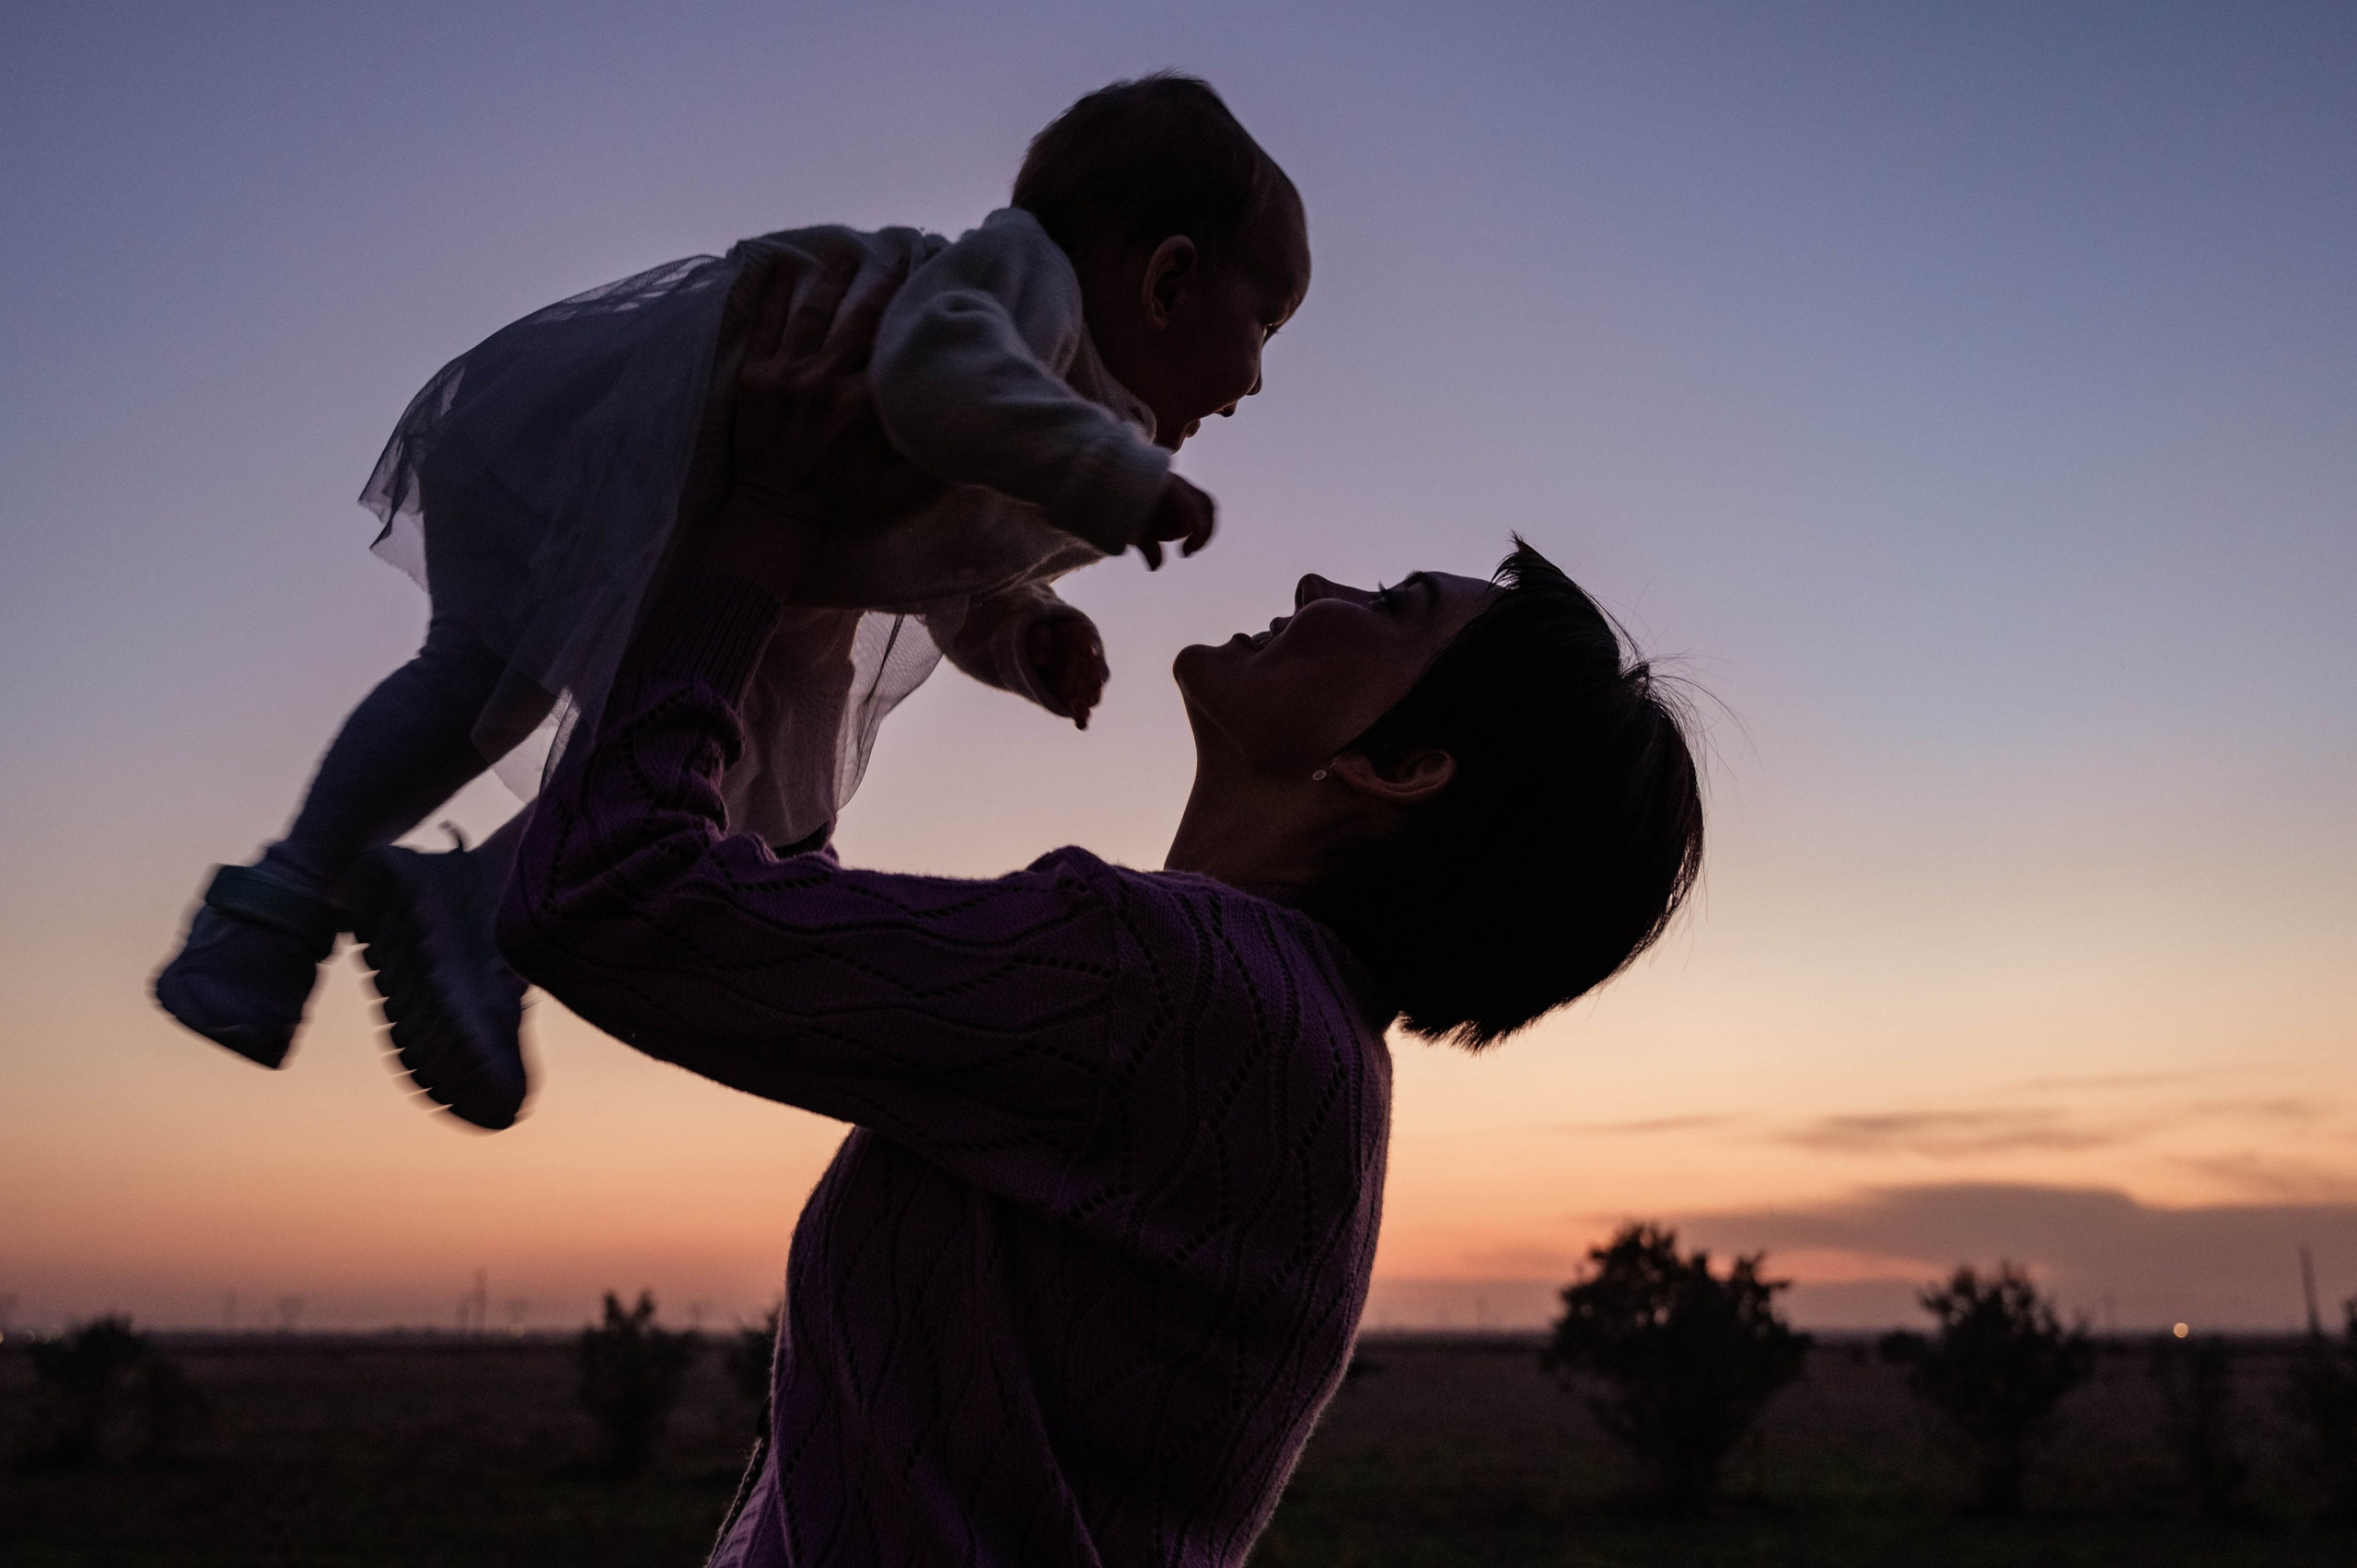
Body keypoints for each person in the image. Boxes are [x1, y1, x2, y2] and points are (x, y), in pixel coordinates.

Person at [498, 244, 1704, 1567]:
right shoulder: (1273, 1034)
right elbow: (787, 931)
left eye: (1393, 606)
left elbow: (606, 894)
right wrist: (825, 595)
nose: (1320, 590)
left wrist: (764, 517)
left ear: (1403, 765)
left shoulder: (1177, 984)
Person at [152, 74, 1311, 1131]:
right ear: (1166, 276)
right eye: (1263, 324)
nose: (1259, 376)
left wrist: (1023, 631)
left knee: (740, 786)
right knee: (482, 681)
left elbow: (940, 552)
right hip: (651, 452)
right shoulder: (1024, 287)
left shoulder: (1066, 409)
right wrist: (1117, 481)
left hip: (761, 542)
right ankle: (280, 906)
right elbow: (932, 383)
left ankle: (469, 907)